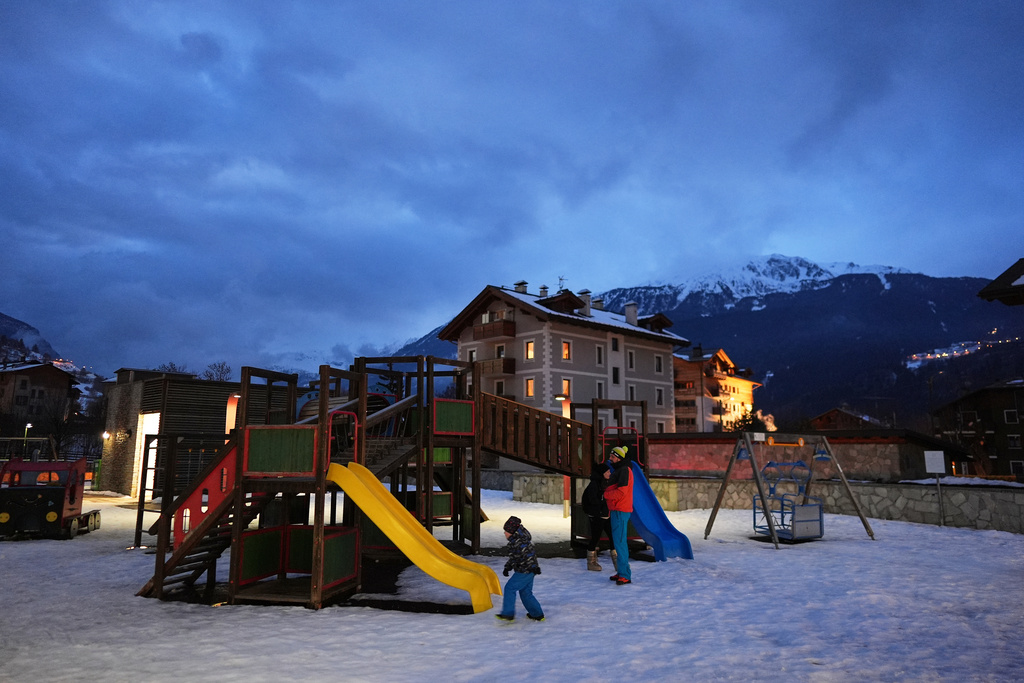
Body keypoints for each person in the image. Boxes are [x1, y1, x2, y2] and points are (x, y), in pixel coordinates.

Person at [496, 515, 544, 622]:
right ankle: (537, 614)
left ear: (512, 531)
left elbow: (530, 555)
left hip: (526, 570)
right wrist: (507, 567)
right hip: (528, 570)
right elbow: (514, 557)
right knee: (526, 593)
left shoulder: (520, 542)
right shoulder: (515, 541)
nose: (504, 533)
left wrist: (533, 567)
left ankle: (508, 614)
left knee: (510, 588)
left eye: (506, 531)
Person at [603, 445, 634, 585]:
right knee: (618, 542)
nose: (610, 459)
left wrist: (605, 495)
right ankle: (622, 572)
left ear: (619, 458)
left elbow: (621, 491)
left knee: (620, 543)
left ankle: (625, 575)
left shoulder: (624, 471)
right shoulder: (621, 470)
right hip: (617, 509)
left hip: (620, 510)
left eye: (612, 457)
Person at [581, 464, 613, 571]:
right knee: (595, 537)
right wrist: (602, 506)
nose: (610, 473)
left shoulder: (605, 483)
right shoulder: (594, 485)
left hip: (604, 514)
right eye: (607, 472)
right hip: (597, 515)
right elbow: (593, 500)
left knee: (612, 536)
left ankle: (618, 561)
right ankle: (591, 562)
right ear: (602, 474)